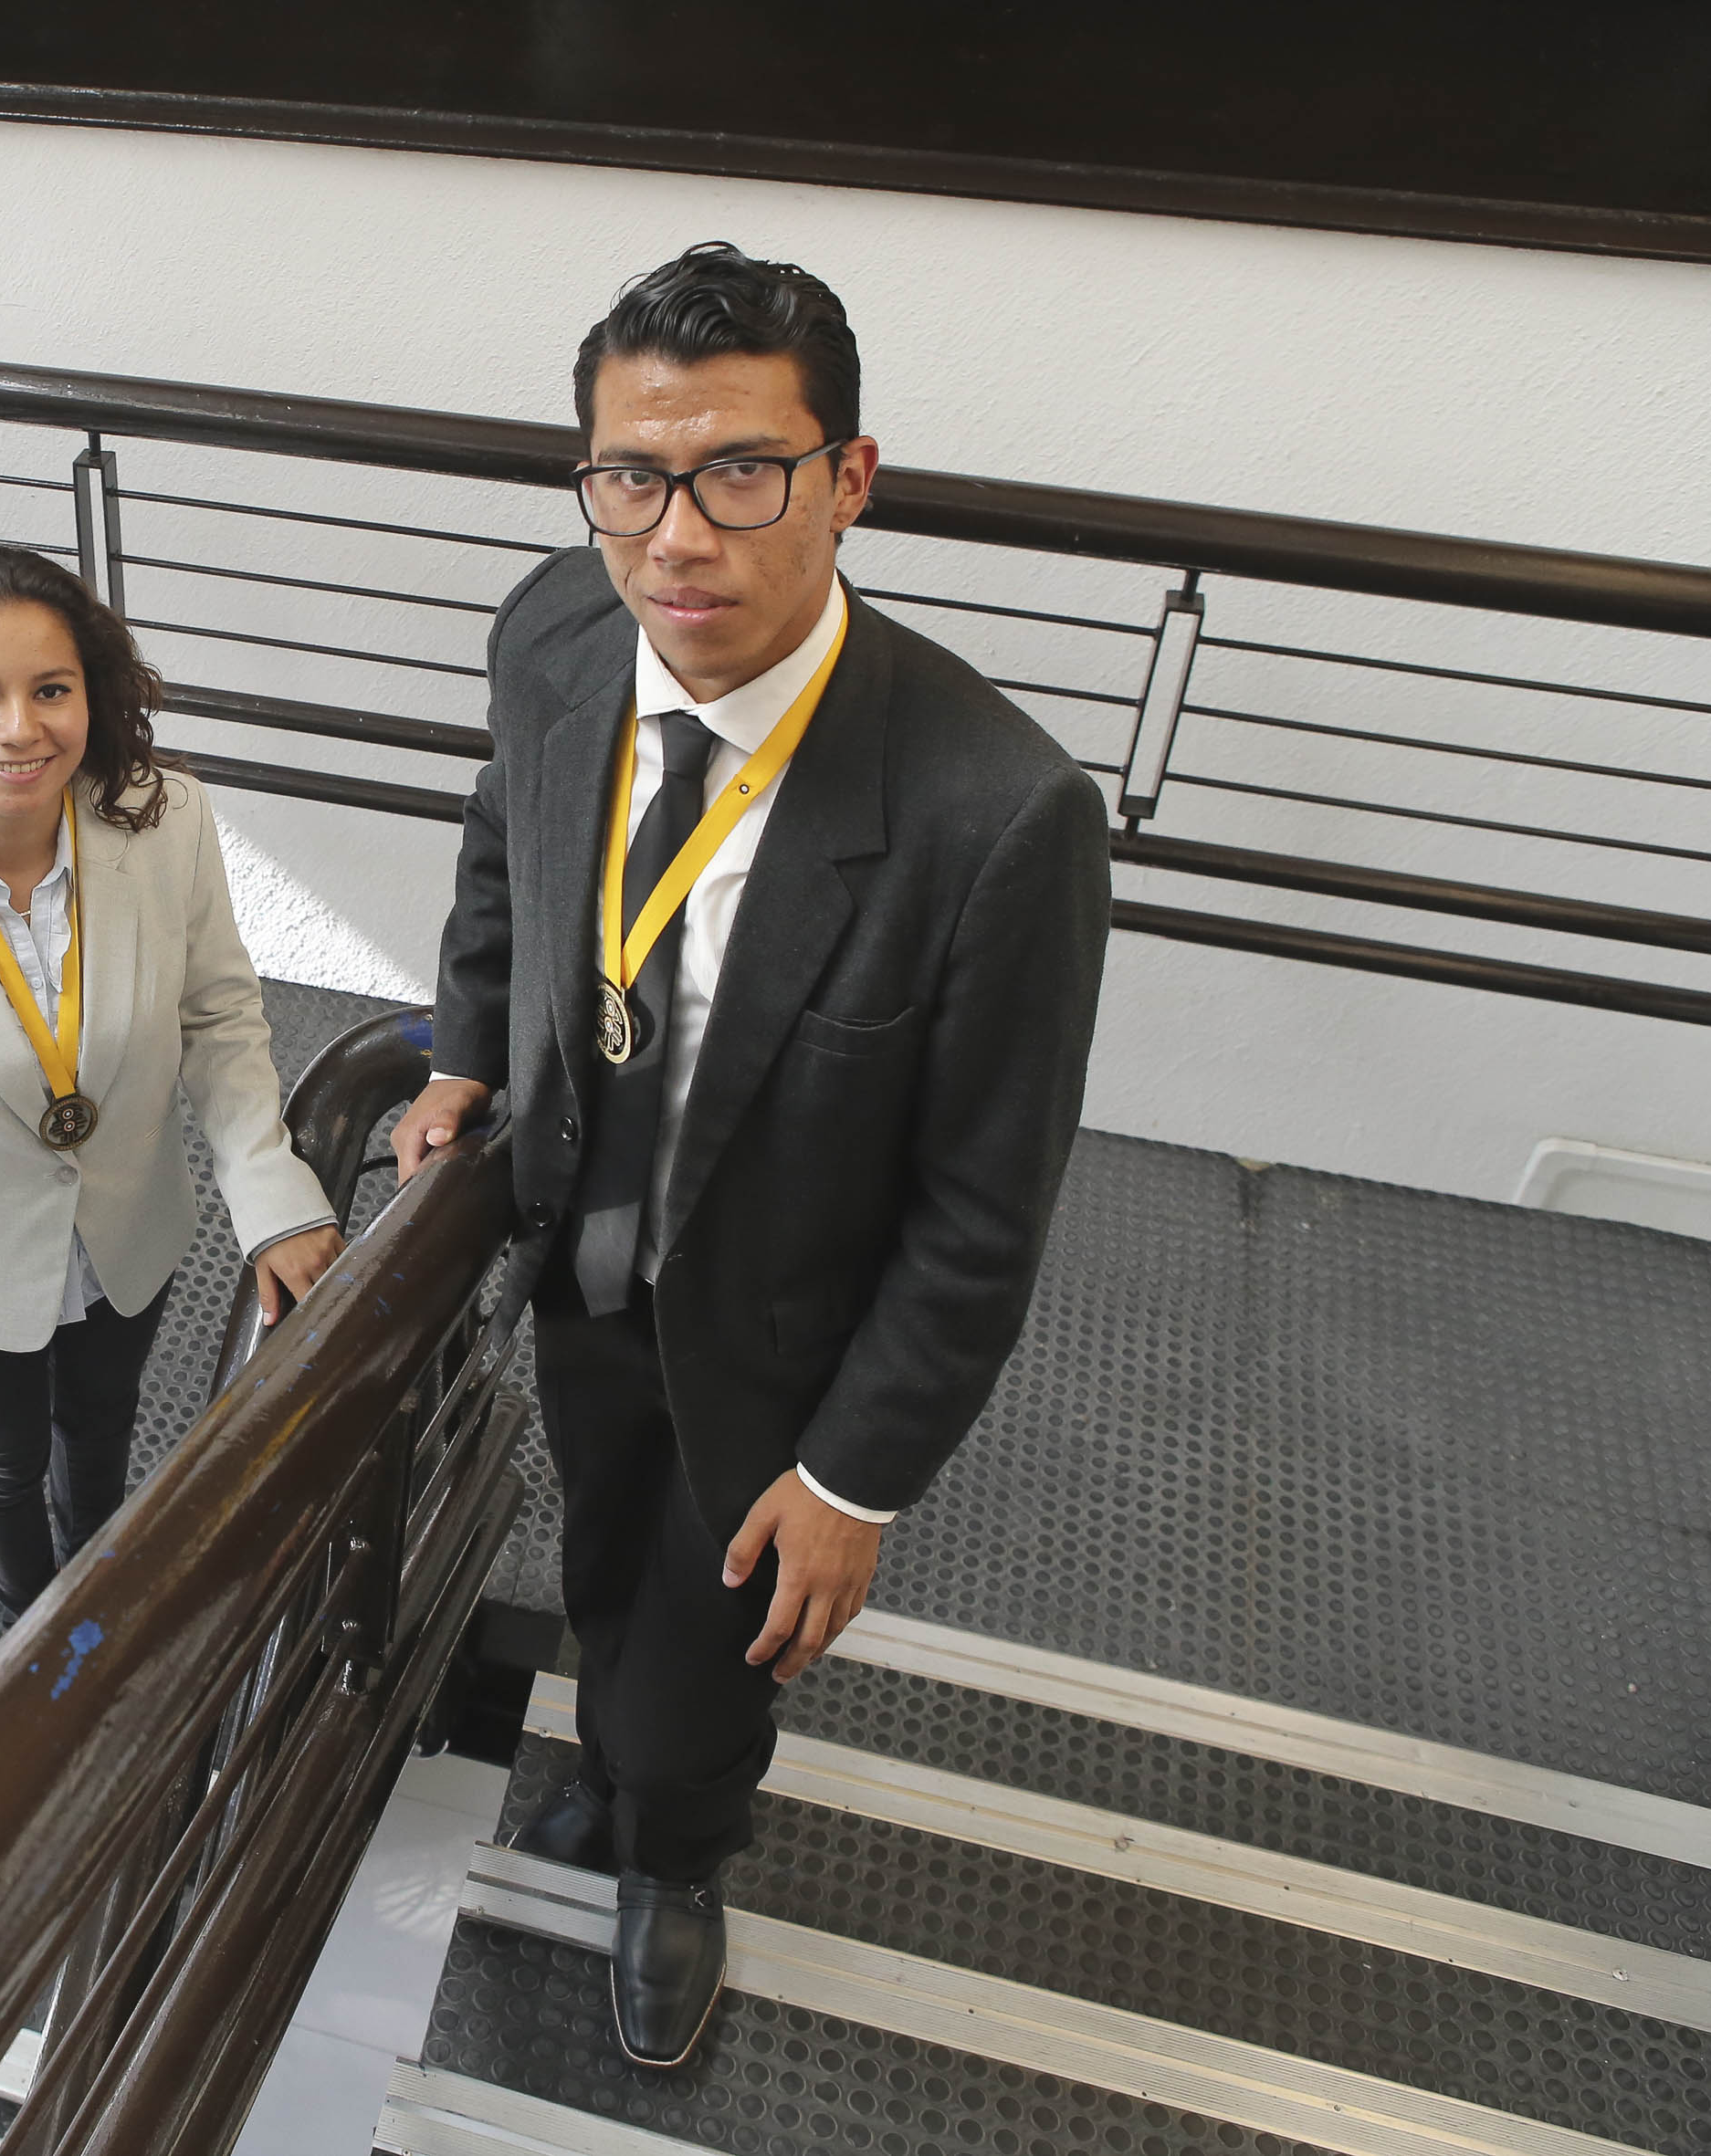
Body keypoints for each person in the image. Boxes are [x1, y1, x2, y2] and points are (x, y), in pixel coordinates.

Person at [396, 244, 1110, 2067]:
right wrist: (466, 1050)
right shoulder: (553, 634)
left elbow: (978, 1210)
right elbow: (502, 853)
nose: (674, 541)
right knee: (606, 1523)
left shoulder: (993, 814)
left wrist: (856, 1482)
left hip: (780, 1333)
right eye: (627, 479)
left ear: (848, 478)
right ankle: (628, 1755)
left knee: (715, 1625)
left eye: (739, 472)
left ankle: (678, 1853)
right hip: (571, 1238)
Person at [0, 545, 345, 1626]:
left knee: (102, 1423)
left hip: (130, 1228)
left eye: (52, 690)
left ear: (94, 694)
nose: (20, 728)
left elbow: (219, 1015)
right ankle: (21, 1627)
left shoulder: (166, 819)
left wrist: (271, 1195)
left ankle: (98, 1579)